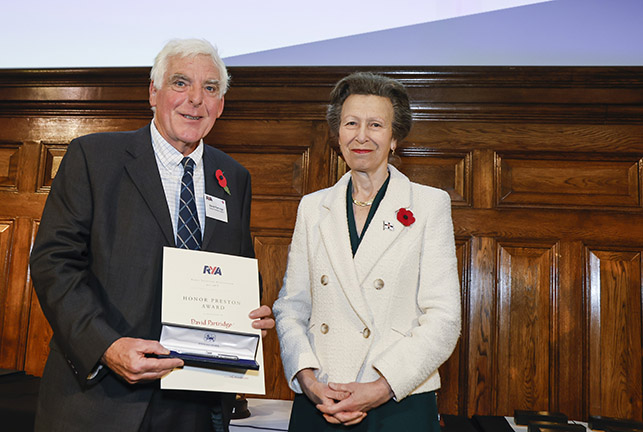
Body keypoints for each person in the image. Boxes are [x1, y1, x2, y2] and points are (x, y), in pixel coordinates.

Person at [29, 38, 274, 432]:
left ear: (221, 105)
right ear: (153, 92)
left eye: (210, 88)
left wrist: (251, 311)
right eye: (181, 83)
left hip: (197, 405)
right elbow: (53, 264)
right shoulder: (94, 158)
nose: (195, 99)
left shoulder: (234, 178)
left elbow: (237, 267)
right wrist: (105, 346)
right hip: (102, 400)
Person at [272, 72, 461, 431]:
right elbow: (291, 306)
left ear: (394, 138)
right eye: (351, 123)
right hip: (321, 400)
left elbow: (444, 318)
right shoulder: (313, 208)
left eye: (375, 125)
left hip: (396, 401)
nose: (362, 135)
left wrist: (381, 386)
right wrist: (309, 382)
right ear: (338, 135)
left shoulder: (429, 204)